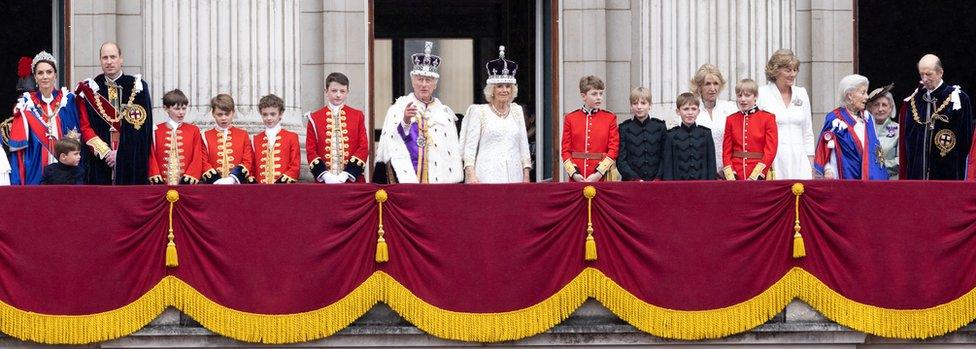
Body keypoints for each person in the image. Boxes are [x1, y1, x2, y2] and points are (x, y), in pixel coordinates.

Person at [374, 41, 462, 184]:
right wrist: (405, 122)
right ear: (413, 81)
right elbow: (391, 144)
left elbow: (451, 154)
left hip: (438, 182)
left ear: (435, 84)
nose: (423, 84)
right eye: (420, 79)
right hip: (407, 180)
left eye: (428, 80)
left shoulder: (445, 115)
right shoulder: (399, 108)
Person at [74, 42, 153, 185]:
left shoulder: (138, 86)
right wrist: (105, 152)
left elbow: (142, 129)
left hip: (130, 161)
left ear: (121, 59)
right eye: (105, 58)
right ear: (100, 60)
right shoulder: (90, 89)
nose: (109, 62)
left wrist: (121, 154)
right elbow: (85, 127)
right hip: (100, 162)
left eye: (113, 57)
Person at [7, 51, 86, 185]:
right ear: (35, 77)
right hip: (35, 166)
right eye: (40, 73)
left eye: (49, 72)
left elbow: (77, 137)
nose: (45, 77)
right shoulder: (26, 104)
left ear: (55, 75)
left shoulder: (68, 100)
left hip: (66, 171)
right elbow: (19, 150)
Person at [460, 46, 532, 183]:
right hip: (486, 177)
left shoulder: (516, 111)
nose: (504, 90)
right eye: (500, 86)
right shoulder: (479, 112)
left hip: (514, 176)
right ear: (492, 90)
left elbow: (523, 145)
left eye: (508, 86)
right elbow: (470, 148)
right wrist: (471, 175)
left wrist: (526, 176)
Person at [899, 54, 973, 180]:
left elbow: (966, 140)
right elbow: (908, 142)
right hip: (918, 173)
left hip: (948, 172)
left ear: (940, 73)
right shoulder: (914, 101)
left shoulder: (958, 99)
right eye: (921, 74)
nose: (924, 78)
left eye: (929, 74)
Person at [813, 75, 888, 180]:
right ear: (850, 96)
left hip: (869, 180)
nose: (867, 97)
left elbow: (875, 150)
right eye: (863, 93)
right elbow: (824, 149)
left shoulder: (868, 118)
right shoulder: (835, 118)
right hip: (844, 178)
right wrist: (827, 170)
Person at [757, 49, 814, 180]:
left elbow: (807, 130)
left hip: (800, 159)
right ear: (775, 71)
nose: (792, 74)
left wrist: (810, 160)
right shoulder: (762, 93)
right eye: (788, 70)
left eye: (795, 70)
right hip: (774, 158)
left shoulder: (801, 93)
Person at [306, 72, 369, 183]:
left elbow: (363, 147)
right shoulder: (314, 118)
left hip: (352, 181)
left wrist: (347, 173)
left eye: (342, 91)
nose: (338, 95)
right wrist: (325, 175)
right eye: (334, 91)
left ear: (347, 92)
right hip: (324, 183)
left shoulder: (357, 116)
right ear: (326, 91)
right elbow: (311, 150)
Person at [561, 75, 619, 182]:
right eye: (594, 94)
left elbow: (613, 149)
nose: (599, 97)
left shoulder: (609, 118)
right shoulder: (570, 118)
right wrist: (574, 173)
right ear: (583, 96)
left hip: (601, 176)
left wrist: (599, 173)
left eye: (601, 93)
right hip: (577, 175)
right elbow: (565, 150)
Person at [682, 64, 737, 176]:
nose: (713, 88)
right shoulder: (691, 111)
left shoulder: (731, 108)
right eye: (707, 84)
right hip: (700, 172)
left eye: (716, 83)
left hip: (729, 172)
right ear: (699, 87)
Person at [723, 79, 778, 180]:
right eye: (739, 96)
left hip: (759, 173)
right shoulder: (731, 119)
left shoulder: (768, 118)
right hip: (736, 174)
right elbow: (726, 152)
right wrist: (731, 174)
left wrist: (757, 175)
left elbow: (771, 151)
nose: (743, 99)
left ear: (756, 96)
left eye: (747, 95)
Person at [147, 89, 205, 185]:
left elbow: (197, 156)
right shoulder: (155, 130)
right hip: (161, 185)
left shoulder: (194, 130)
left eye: (184, 108)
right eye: (177, 109)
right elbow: (151, 155)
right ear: (166, 108)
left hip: (187, 185)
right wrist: (155, 174)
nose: (181, 112)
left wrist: (191, 175)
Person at [201, 94, 255, 184]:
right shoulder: (205, 136)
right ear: (213, 114)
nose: (224, 118)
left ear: (233, 112)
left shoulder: (243, 135)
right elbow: (203, 162)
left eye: (227, 114)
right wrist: (217, 180)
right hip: (213, 186)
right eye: (219, 114)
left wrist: (233, 178)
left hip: (237, 186)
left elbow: (248, 161)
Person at [661, 93, 716, 180]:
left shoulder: (706, 134)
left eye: (694, 109)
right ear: (678, 111)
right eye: (686, 109)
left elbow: (711, 165)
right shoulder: (671, 136)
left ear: (698, 111)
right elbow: (668, 167)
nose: (690, 113)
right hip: (679, 188)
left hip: (703, 187)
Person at [617, 87, 666, 181]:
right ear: (631, 106)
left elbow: (665, 157)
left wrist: (658, 178)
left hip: (656, 183)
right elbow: (621, 160)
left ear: (650, 105)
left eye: (643, 103)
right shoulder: (624, 128)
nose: (639, 107)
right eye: (635, 103)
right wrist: (635, 179)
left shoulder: (660, 127)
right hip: (631, 183)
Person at [253, 94, 300, 184]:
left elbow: (295, 167)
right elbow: (252, 168)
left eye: (273, 114)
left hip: (284, 190)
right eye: (265, 114)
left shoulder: (292, 137)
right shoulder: (256, 139)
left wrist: (279, 185)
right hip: (260, 191)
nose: (269, 118)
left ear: (280, 114)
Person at [866, 84, 899, 179]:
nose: (880, 109)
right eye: (876, 105)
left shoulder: (899, 130)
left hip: (890, 181)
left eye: (884, 105)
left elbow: (902, 160)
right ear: (870, 108)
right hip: (866, 181)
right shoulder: (862, 128)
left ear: (890, 109)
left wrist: (877, 166)